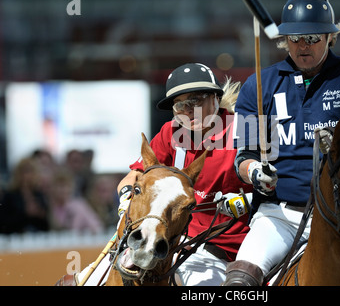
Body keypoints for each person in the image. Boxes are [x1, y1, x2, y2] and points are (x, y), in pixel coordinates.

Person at [226, 0, 340, 286]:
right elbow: (243, 156)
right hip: (279, 217)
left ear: (330, 37)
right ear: (284, 40)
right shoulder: (258, 84)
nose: (303, 46)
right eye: (295, 39)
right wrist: (255, 172)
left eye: (313, 38)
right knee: (239, 280)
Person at [57, 63, 253, 286]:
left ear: (215, 98)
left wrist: (249, 199)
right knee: (81, 282)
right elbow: (134, 176)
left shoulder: (247, 129)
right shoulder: (171, 132)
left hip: (225, 250)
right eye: (180, 105)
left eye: (196, 101)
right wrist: (126, 199)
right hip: (171, 239)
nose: (188, 111)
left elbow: (279, 187)